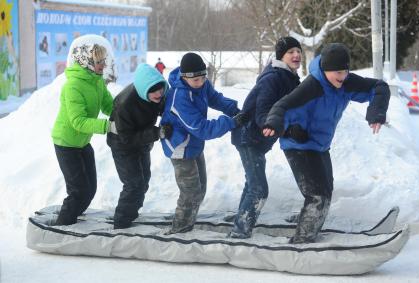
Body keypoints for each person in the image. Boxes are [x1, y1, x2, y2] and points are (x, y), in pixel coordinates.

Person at [263, 43, 390, 243]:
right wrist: (275, 123)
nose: (342, 77)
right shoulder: (312, 86)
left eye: (345, 71)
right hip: (297, 145)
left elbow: (379, 87)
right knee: (317, 195)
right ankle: (302, 240)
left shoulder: (346, 82)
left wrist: (376, 112)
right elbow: (282, 106)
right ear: (325, 70)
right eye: (337, 72)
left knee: (326, 190)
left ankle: (310, 224)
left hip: (320, 146)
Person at [160, 52, 249, 234]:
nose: (200, 83)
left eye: (203, 78)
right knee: (191, 192)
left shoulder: (200, 82)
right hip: (180, 146)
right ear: (185, 77)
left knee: (201, 189)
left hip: (193, 143)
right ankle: (180, 231)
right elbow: (202, 128)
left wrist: (234, 110)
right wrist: (231, 122)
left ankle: (188, 220)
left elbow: (215, 98)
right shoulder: (180, 98)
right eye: (196, 81)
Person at [229, 36, 302, 239]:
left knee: (252, 183)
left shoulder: (290, 77)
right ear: (281, 56)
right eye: (291, 52)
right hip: (248, 136)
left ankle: (242, 219)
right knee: (259, 188)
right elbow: (263, 113)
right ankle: (240, 232)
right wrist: (282, 129)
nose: (296, 55)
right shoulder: (273, 78)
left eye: (298, 51)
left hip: (258, 140)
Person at [52, 43, 114, 226]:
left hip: (82, 143)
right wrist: (108, 126)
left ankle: (74, 217)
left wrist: (126, 115)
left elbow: (109, 106)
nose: (102, 64)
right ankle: (62, 225)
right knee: (78, 190)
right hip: (66, 143)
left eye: (103, 60)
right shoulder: (73, 87)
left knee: (91, 188)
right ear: (86, 62)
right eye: (98, 61)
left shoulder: (96, 81)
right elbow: (78, 121)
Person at [107, 63, 172, 229]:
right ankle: (121, 223)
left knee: (144, 181)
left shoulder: (157, 95)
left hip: (142, 143)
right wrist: (157, 133)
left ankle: (132, 213)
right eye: (154, 90)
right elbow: (127, 138)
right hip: (122, 145)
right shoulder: (125, 104)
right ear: (144, 89)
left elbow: (164, 106)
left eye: (161, 89)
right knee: (133, 184)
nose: (159, 93)